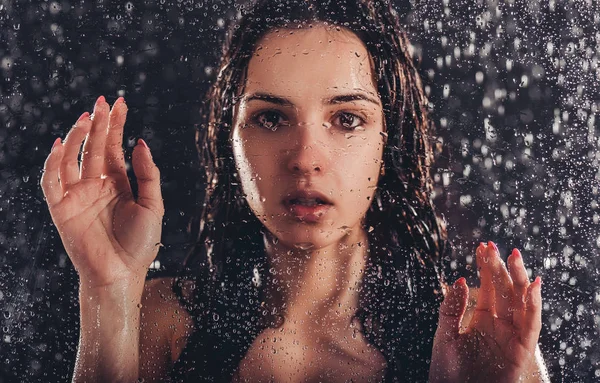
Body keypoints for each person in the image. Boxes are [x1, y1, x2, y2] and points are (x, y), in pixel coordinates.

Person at [40, 0, 549, 382]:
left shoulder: (478, 335)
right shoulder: (157, 323)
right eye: (270, 118)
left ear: (388, 140)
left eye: (347, 119)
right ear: (230, 139)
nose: (305, 157)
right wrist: (107, 290)